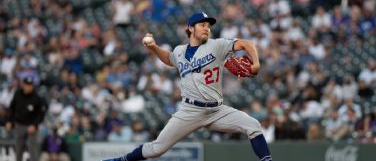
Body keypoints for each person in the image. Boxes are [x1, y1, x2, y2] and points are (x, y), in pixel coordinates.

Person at [103, 12, 273, 160]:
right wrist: (154, 47)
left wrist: (256, 63)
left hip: (217, 111)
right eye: (202, 25)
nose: (207, 28)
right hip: (190, 111)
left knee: (253, 125)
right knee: (156, 149)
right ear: (191, 28)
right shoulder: (179, 51)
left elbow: (245, 44)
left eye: (208, 26)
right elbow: (169, 59)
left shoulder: (216, 45)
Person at [6, 76, 47, 161]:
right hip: (19, 125)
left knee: (32, 149)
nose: (28, 87)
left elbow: (41, 114)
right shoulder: (18, 94)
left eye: (30, 85)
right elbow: (11, 108)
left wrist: (35, 125)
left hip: (31, 126)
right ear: (23, 85)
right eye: (27, 84)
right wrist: (9, 121)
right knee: (18, 149)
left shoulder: (37, 97)